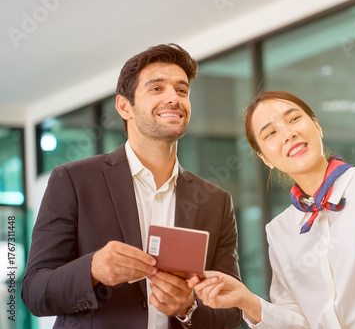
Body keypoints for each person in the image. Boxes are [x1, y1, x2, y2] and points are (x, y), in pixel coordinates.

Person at [188, 53, 355, 328]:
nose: (287, 133)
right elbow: (298, 321)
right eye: (270, 133)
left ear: (317, 126)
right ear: (265, 159)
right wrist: (248, 301)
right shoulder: (280, 230)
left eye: (294, 119)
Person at [21, 44, 243, 329]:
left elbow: (233, 309)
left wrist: (188, 308)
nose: (173, 98)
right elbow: (35, 292)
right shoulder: (73, 180)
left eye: (181, 90)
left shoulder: (216, 201)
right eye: (156, 89)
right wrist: (93, 269)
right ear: (125, 106)